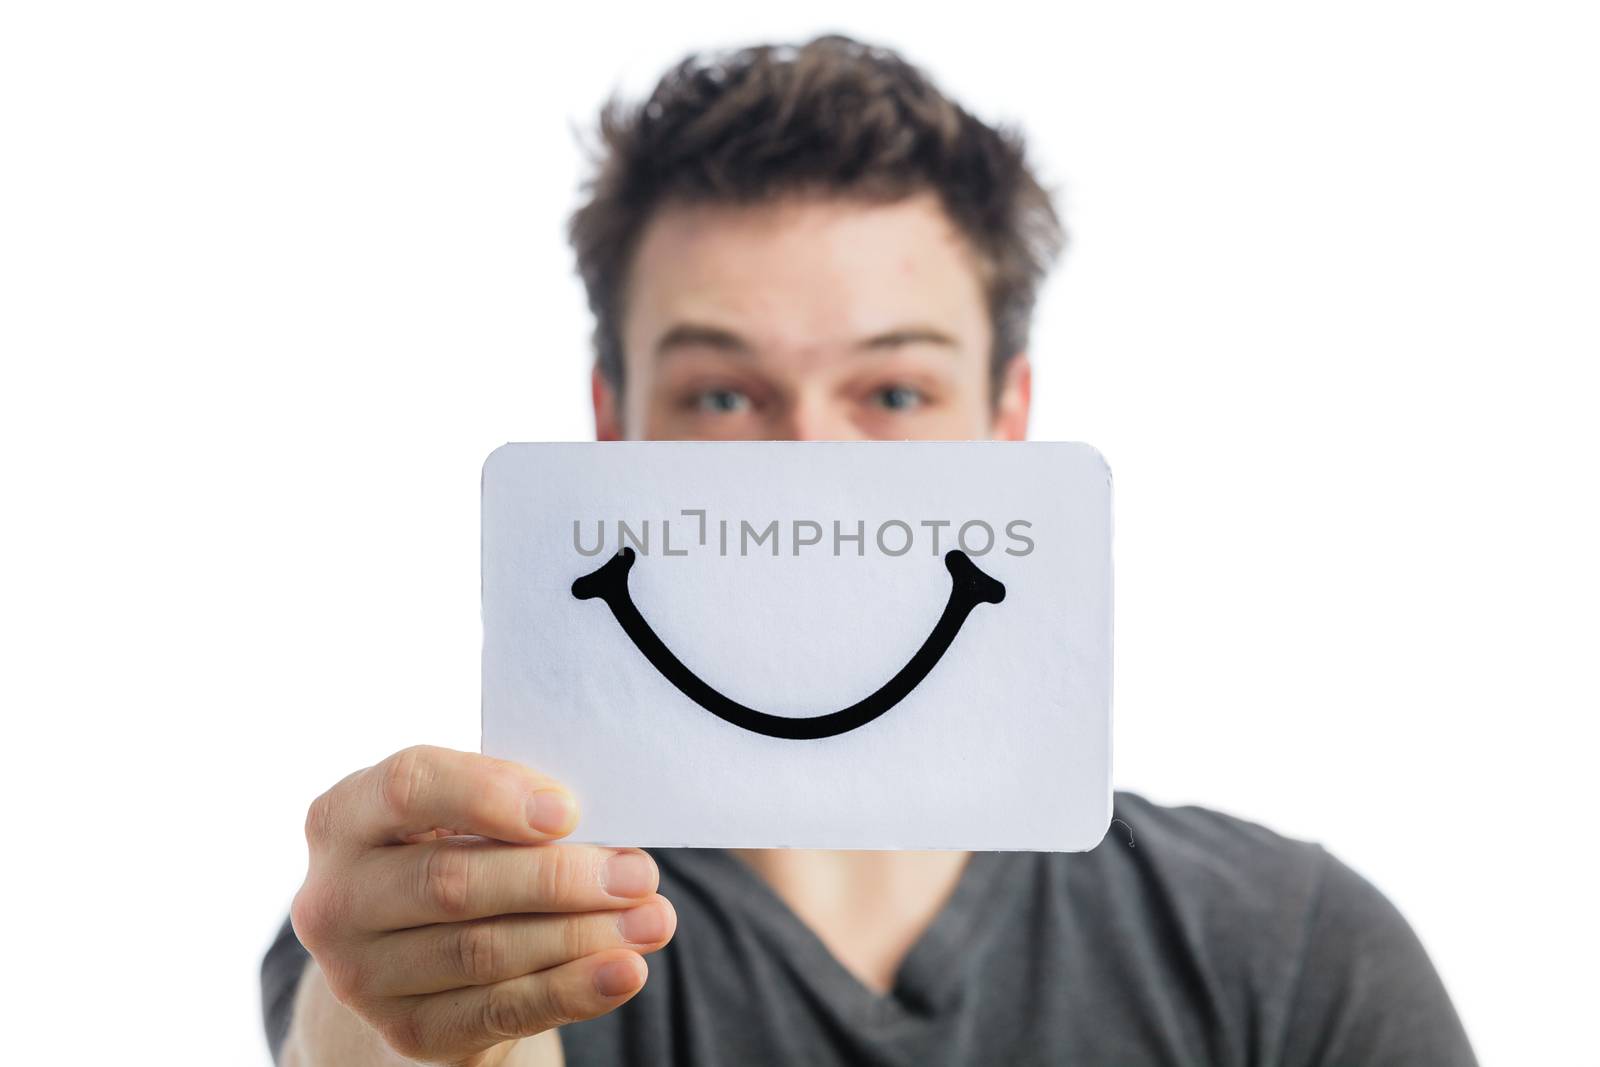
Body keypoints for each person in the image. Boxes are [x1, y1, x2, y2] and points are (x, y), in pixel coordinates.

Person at [261, 34, 1477, 1066]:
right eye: (722, 395)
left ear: (1008, 418)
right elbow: (391, 1030)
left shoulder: (1291, 945)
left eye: (892, 393)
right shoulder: (477, 905)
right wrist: (410, 1016)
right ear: (611, 422)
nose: (806, 461)